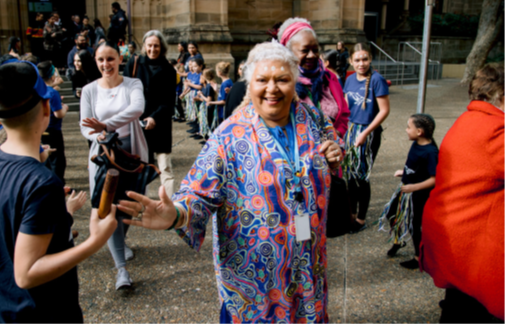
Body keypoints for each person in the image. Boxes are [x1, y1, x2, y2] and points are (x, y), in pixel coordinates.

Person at [118, 41, 344, 322]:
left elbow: (333, 143)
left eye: (282, 80)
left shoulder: (311, 117)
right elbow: (198, 194)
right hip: (254, 284)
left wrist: (335, 153)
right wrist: (174, 214)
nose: (272, 88)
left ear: (294, 82)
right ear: (250, 84)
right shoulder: (228, 136)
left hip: (309, 268)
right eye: (262, 80)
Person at [0, 61, 117, 323]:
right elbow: (26, 273)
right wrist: (94, 241)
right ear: (46, 108)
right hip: (41, 313)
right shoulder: (42, 183)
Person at [421, 63, 505, 322]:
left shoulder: (469, 119)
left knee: (459, 303)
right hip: (472, 244)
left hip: (453, 237)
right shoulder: (496, 130)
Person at [79, 41, 147, 290]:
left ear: (120, 59)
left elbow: (137, 108)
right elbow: (85, 126)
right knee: (108, 209)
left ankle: (120, 242)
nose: (106, 64)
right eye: (101, 60)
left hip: (131, 153)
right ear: (95, 62)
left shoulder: (132, 83)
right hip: (105, 155)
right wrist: (98, 135)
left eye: (110, 59)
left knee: (129, 207)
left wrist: (105, 125)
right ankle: (121, 270)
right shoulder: (89, 89)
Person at [379, 114, 438, 269]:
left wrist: (414, 187)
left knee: (414, 224)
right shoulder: (417, 143)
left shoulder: (430, 152)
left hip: (418, 194)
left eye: (408, 127)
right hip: (406, 188)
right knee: (391, 213)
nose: (405, 130)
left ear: (419, 131)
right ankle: (399, 241)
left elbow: (434, 179)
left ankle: (419, 258)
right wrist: (404, 171)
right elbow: (416, 165)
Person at [342, 42, 390, 232]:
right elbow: (346, 109)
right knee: (349, 175)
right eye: (357, 60)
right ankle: (351, 214)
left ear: (370, 59)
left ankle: (361, 219)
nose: (361, 63)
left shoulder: (377, 80)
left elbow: (384, 111)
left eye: (365, 59)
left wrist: (365, 133)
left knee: (362, 176)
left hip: (368, 133)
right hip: (351, 130)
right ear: (351, 61)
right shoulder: (350, 79)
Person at [123, 30, 177, 197]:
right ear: (144, 46)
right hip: (138, 123)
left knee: (165, 167)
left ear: (162, 47)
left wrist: (154, 117)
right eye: (150, 45)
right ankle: (139, 202)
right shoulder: (135, 63)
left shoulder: (168, 69)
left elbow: (169, 102)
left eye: (156, 46)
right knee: (140, 168)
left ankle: (168, 205)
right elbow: (125, 92)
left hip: (160, 124)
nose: (153, 49)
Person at [277, 18, 349, 138]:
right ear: (288, 52)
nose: (311, 55)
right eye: (305, 50)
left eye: (315, 50)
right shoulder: (279, 83)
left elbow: (344, 113)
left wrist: (337, 133)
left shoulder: (329, 77)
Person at [37, 61, 69, 183]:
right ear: (52, 76)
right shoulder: (53, 92)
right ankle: (58, 184)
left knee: (46, 158)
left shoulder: (38, 91)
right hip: (53, 130)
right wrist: (64, 108)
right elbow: (58, 114)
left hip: (41, 128)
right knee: (58, 160)